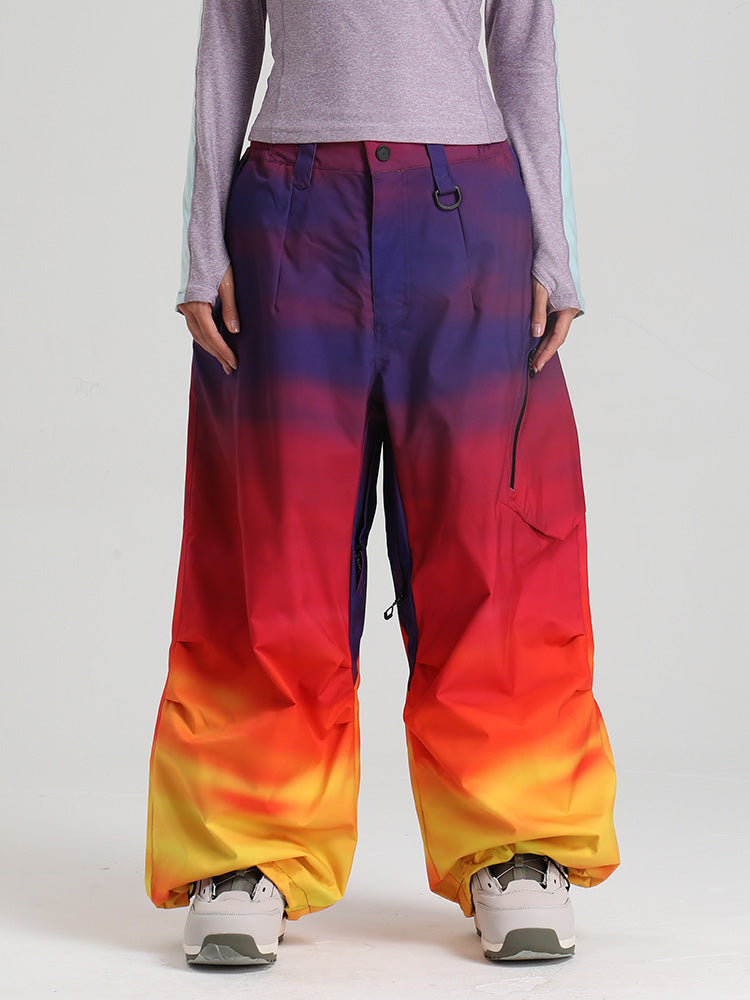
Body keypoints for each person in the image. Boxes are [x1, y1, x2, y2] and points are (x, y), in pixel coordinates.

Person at [144, 0, 620, 967]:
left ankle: (517, 842)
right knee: (274, 542)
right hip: (290, 211)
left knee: (488, 535)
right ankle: (245, 848)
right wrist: (201, 242)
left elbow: (525, 42)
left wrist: (556, 245)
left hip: (470, 209)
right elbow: (226, 34)